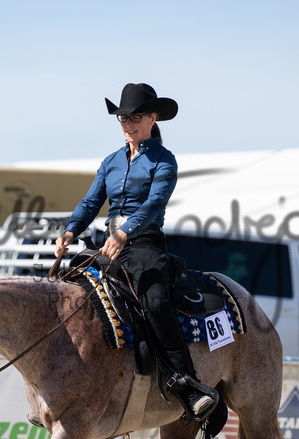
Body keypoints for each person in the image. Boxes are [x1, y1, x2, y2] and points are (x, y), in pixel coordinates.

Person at [56, 82, 217, 421]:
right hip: (108, 243)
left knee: (155, 301)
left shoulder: (164, 161)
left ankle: (186, 382)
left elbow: (155, 203)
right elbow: (91, 202)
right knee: (67, 289)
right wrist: (71, 228)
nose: (127, 125)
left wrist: (124, 232)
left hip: (144, 243)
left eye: (134, 118)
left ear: (152, 118)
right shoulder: (111, 162)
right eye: (122, 119)